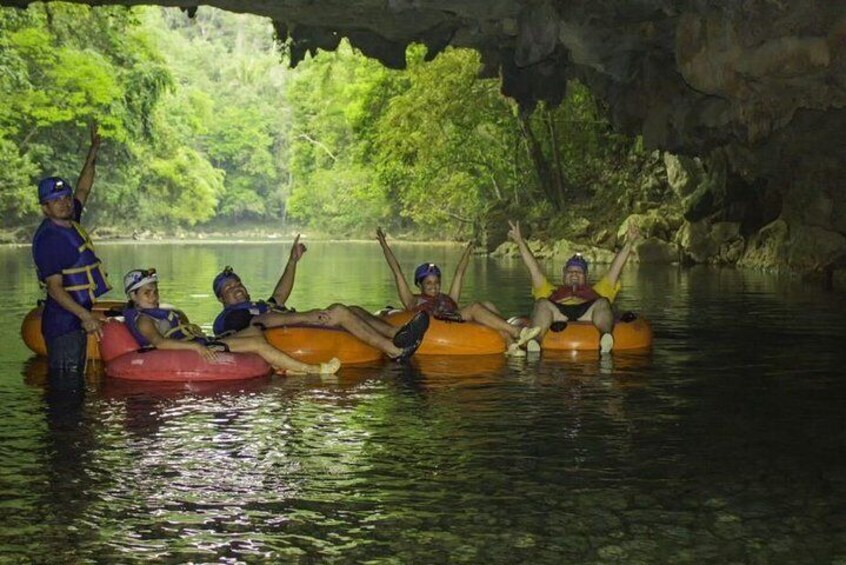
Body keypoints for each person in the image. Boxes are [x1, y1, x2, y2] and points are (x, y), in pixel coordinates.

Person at [212, 235, 429, 363]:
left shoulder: (256, 305)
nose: (236, 288)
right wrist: (306, 316)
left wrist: (293, 261)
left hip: (295, 324)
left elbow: (278, 296)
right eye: (229, 288)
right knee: (339, 311)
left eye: (238, 283)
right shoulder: (230, 316)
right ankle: (396, 351)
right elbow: (260, 323)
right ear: (222, 298)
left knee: (353, 308)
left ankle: (397, 334)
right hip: (287, 336)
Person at [122, 269, 340, 375]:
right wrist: (196, 347)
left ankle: (286, 367)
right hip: (197, 347)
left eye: (155, 291)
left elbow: (278, 298)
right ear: (133, 297)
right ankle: (313, 370)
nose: (154, 296)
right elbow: (159, 343)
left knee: (255, 333)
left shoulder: (154, 313)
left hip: (204, 341)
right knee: (256, 343)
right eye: (147, 293)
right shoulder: (144, 320)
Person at [376, 228, 540, 356]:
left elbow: (459, 274)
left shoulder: (448, 299)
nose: (434, 286)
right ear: (420, 285)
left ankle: (511, 344)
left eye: (437, 282)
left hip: (455, 320)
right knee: (475, 307)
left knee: (487, 305)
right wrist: (384, 244)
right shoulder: (412, 301)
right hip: (436, 326)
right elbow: (397, 271)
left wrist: (469, 248)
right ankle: (517, 332)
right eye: (429, 283)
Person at [31, 125, 108, 376]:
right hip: (63, 324)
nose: (64, 203)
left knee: (75, 388)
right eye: (56, 200)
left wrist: (93, 150)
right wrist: (85, 316)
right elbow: (54, 288)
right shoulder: (49, 238)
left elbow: (84, 188)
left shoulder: (71, 219)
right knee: (66, 390)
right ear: (45, 208)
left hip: (75, 319)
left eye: (65, 197)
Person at [507, 219, 640, 353]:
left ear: (586, 277)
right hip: (557, 312)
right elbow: (533, 268)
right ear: (564, 276)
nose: (574, 274)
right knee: (541, 303)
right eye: (570, 271)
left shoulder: (598, 290)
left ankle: (605, 336)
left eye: (579, 272)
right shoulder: (550, 290)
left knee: (603, 302)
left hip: (588, 312)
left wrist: (629, 242)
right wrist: (520, 242)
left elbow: (615, 269)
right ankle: (535, 342)